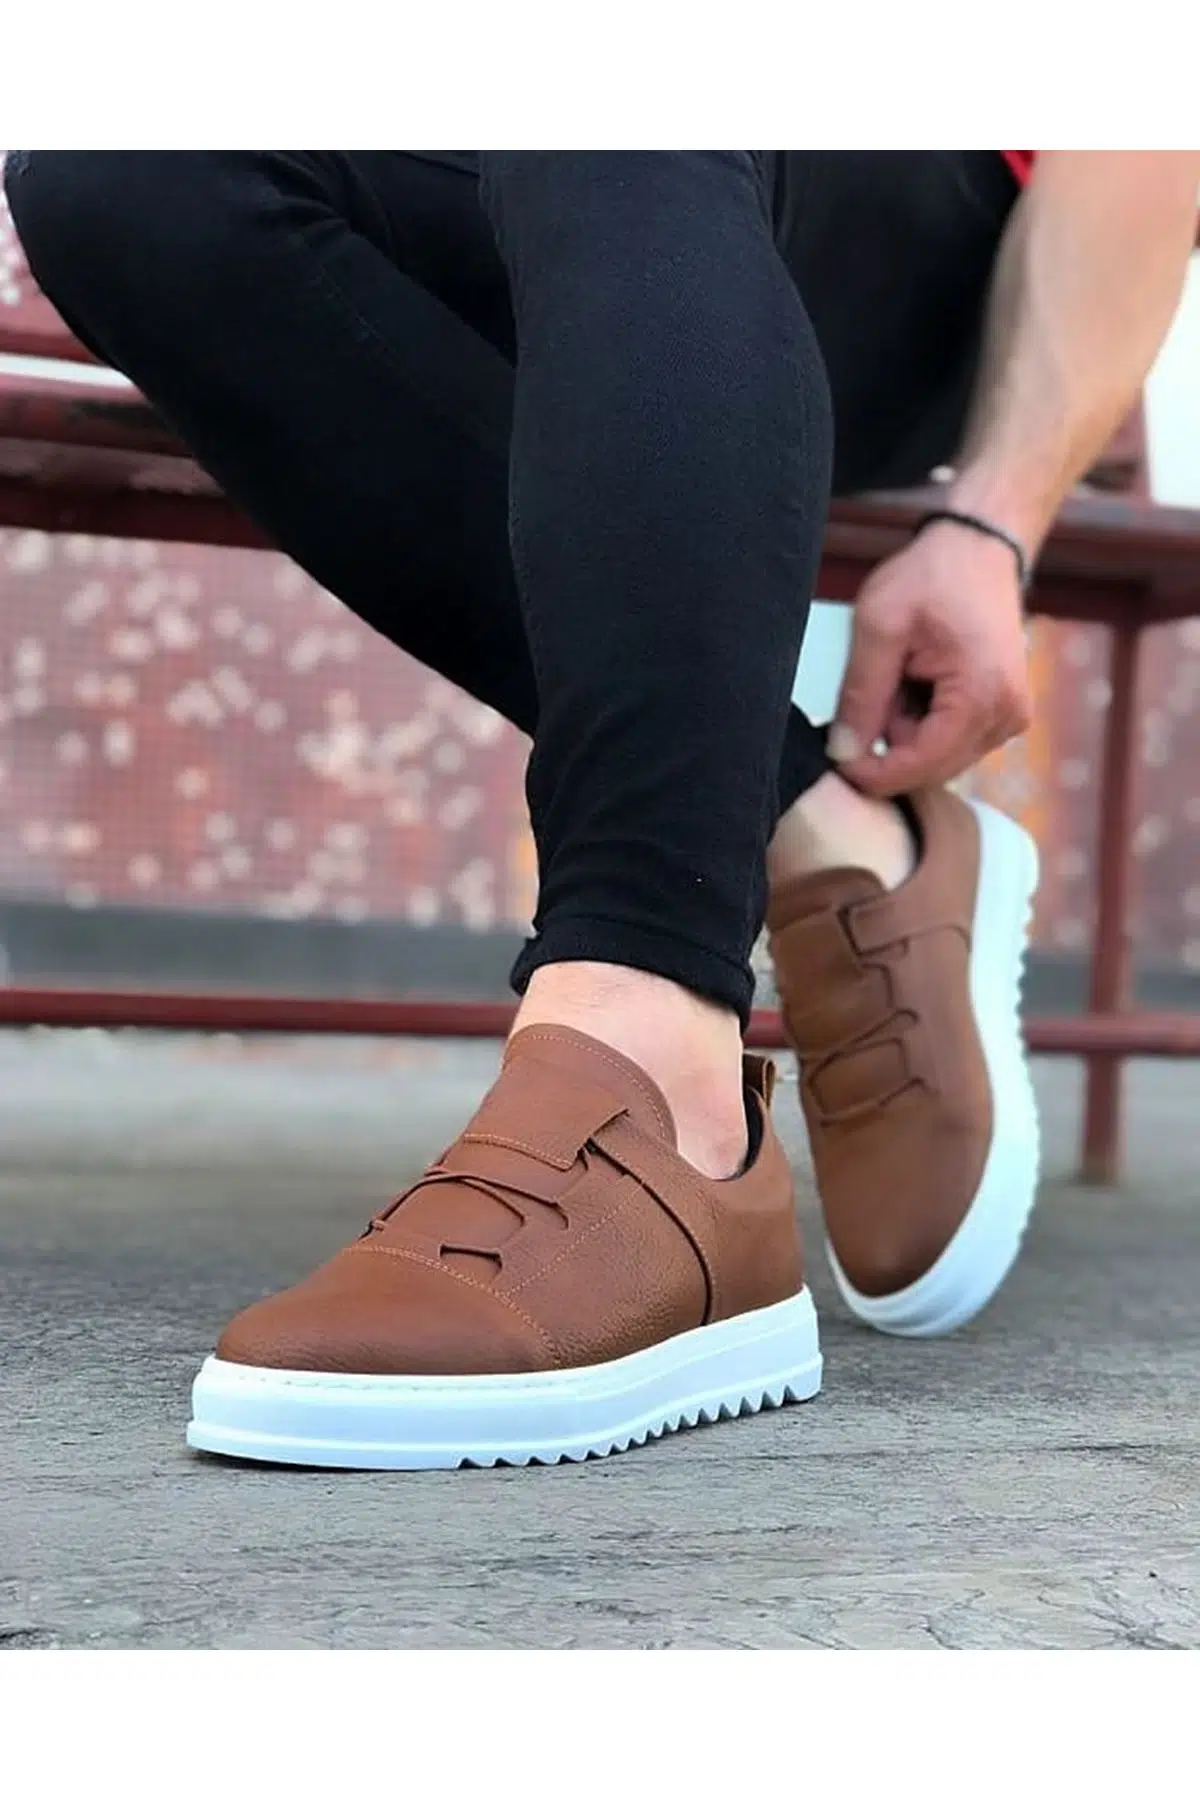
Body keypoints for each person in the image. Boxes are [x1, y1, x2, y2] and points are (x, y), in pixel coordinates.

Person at [7, 150, 1196, 1471]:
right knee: (119, 174)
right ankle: (829, 828)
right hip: (540, 197)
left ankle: (657, 1055)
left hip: (919, 239)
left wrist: (992, 525)